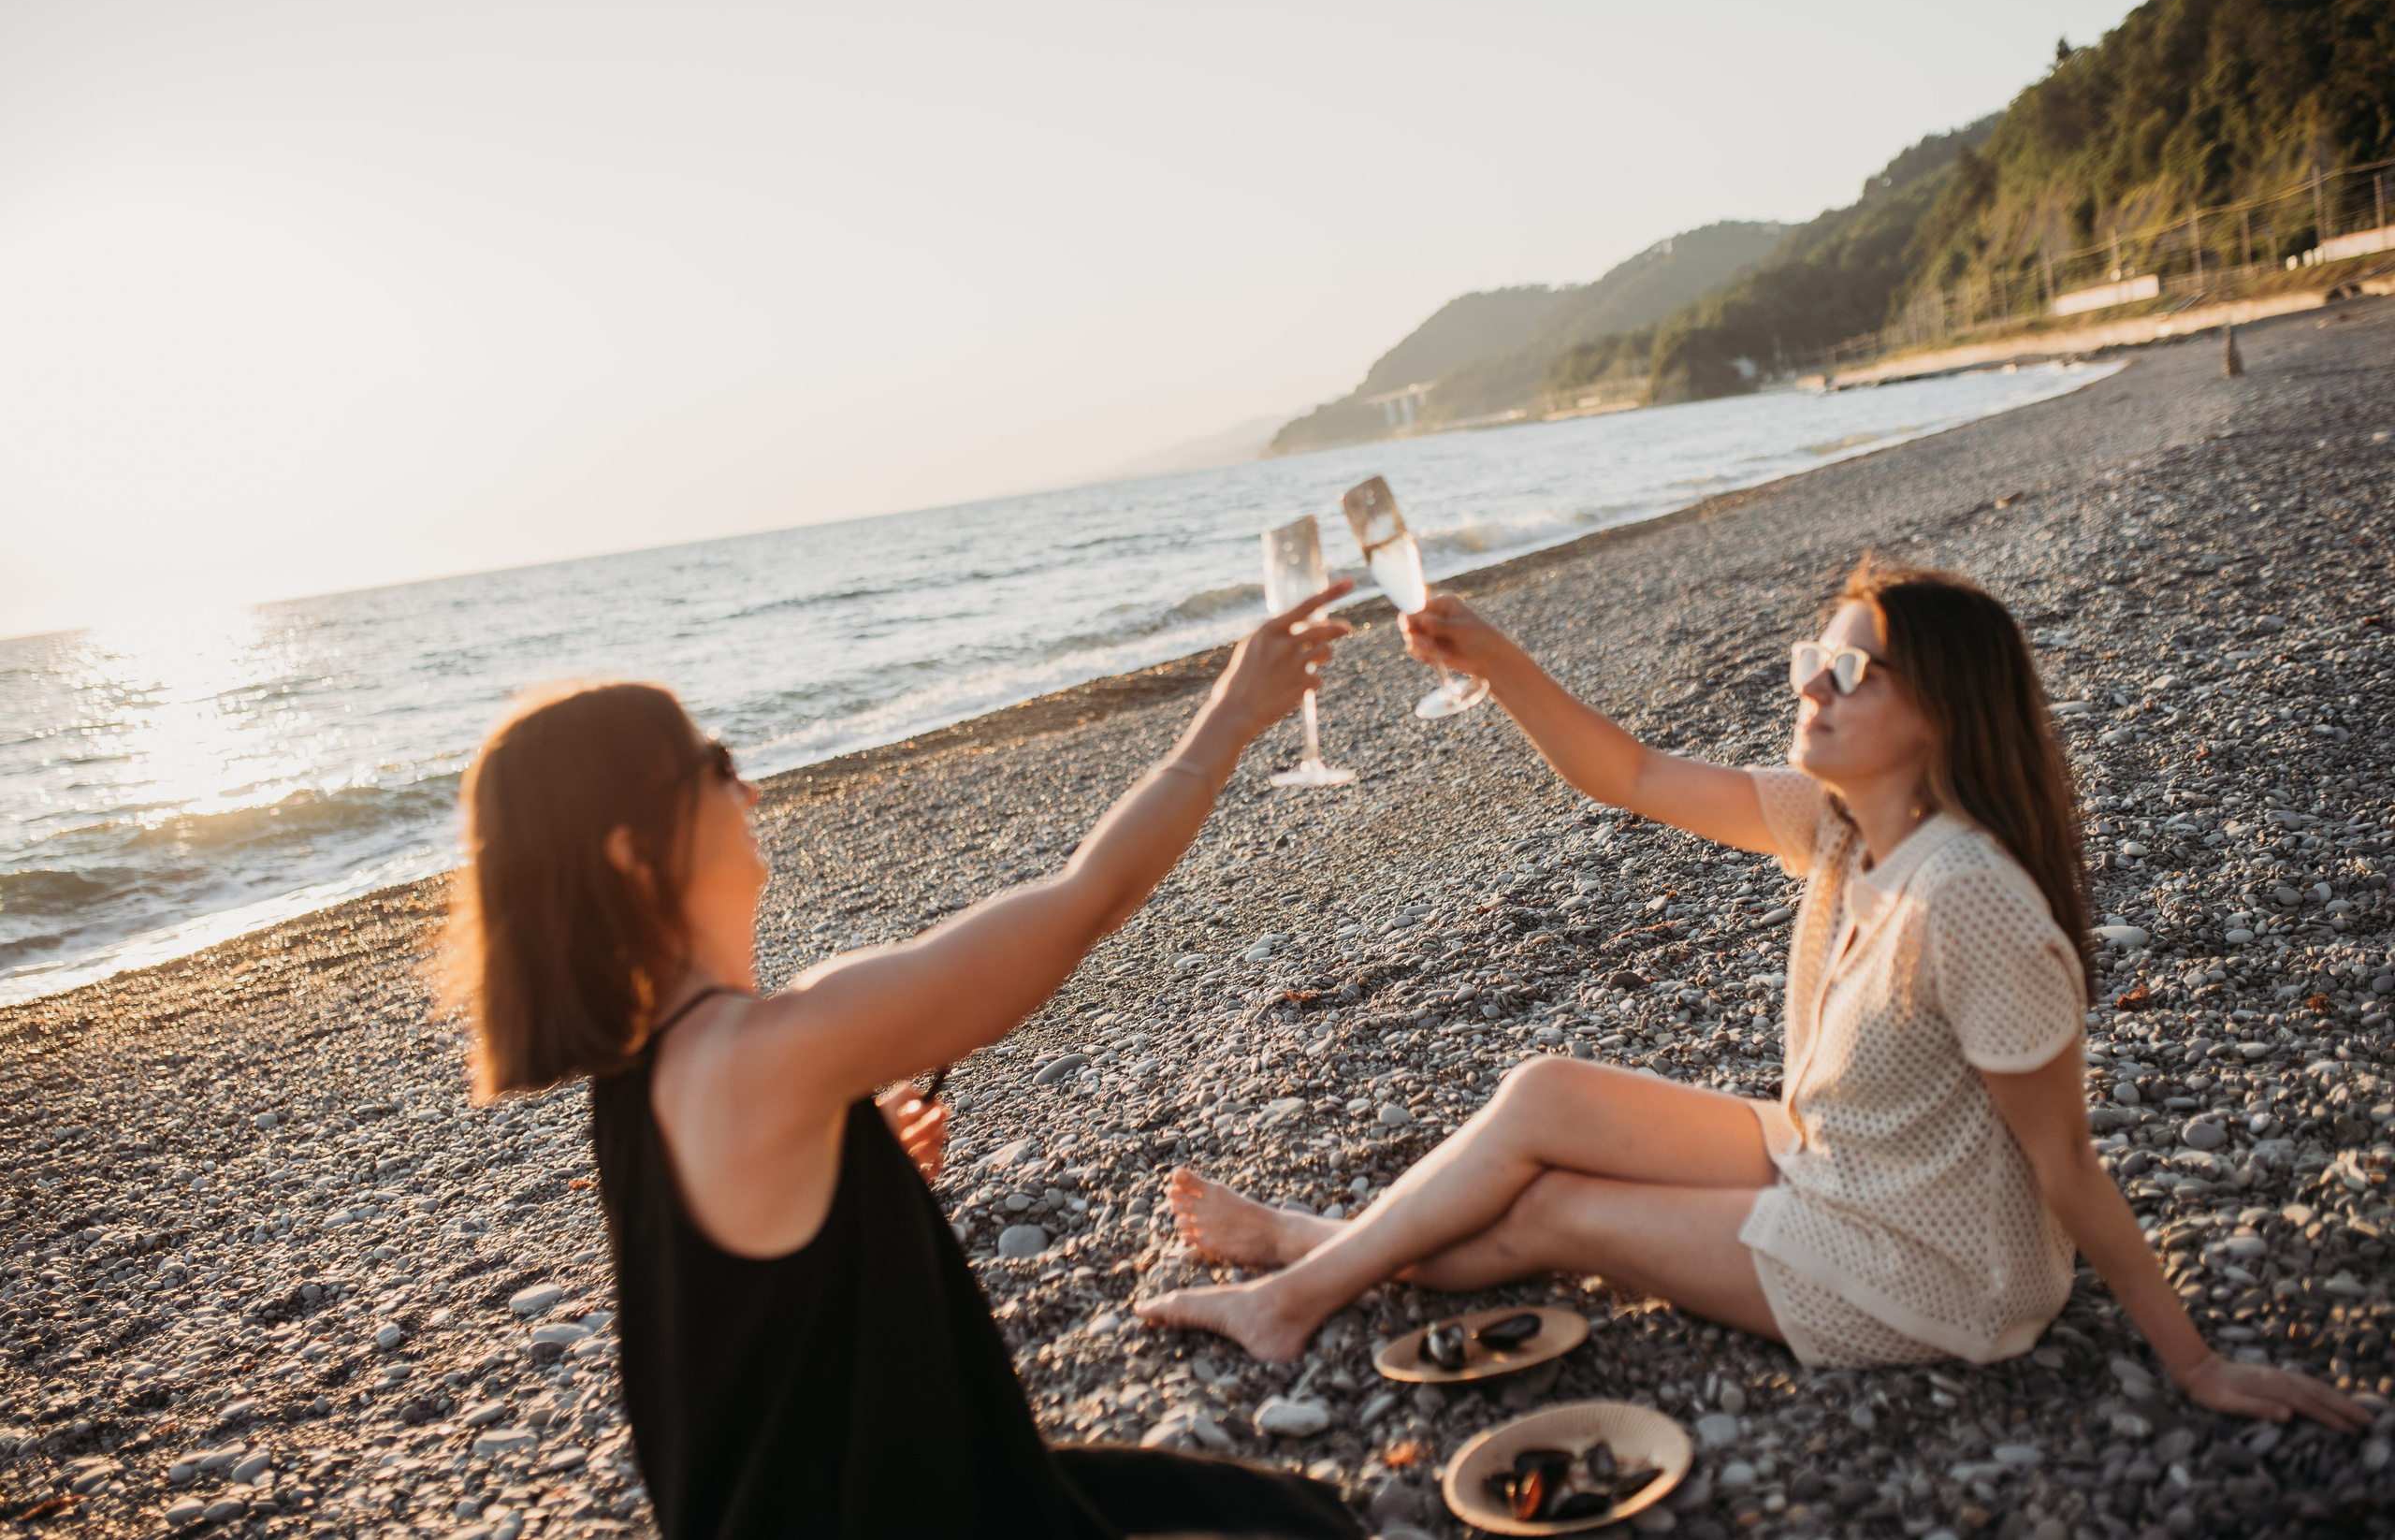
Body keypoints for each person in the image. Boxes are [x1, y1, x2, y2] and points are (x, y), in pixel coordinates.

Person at [1138, 562, 2365, 1431]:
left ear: (1941, 712)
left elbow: (2067, 1170)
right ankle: (1313, 1254)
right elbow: (1620, 771)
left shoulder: (1974, 900)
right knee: (1546, 1094)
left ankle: (1292, 1289)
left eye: (1850, 671)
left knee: (1561, 1210)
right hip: (1845, 1161)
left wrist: (2194, 1361)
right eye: (1813, 660)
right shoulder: (1837, 821)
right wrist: (1493, 657)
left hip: (1934, 1262)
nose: (1812, 688)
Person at [439, 583, 1372, 1539]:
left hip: (872, 1487)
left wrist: (852, 1176)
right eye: (712, 765)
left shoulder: (651, 1076)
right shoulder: (763, 1054)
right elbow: (1086, 898)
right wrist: (1230, 716)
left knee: (1258, 1510)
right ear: (634, 853)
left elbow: (741, 1320)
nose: (745, 787)